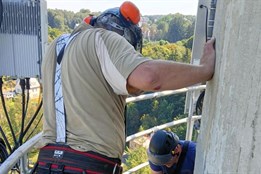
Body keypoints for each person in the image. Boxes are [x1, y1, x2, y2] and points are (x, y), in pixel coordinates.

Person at [33, 1, 216, 173]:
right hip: (89, 165)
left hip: (46, 162)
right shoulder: (103, 38)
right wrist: (204, 70)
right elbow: (150, 78)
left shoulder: (56, 45)